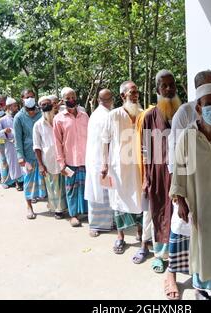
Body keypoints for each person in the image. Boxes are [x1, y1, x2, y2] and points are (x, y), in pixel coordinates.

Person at [170, 83, 211, 300]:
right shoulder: (187, 136)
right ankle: (203, 288)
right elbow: (178, 170)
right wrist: (180, 201)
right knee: (204, 244)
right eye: (209, 104)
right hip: (200, 200)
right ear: (198, 108)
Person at [101, 81, 149, 258]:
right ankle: (120, 237)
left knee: (140, 199)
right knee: (118, 200)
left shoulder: (144, 114)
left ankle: (140, 233)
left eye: (136, 92)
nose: (135, 95)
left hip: (139, 167)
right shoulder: (114, 115)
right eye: (131, 93)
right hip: (118, 167)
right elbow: (105, 141)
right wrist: (104, 164)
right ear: (123, 96)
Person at [141, 70, 182, 274]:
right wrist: (147, 178)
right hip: (158, 174)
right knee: (160, 213)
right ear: (157, 89)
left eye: (171, 84)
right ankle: (160, 256)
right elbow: (145, 150)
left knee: (181, 214)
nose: (168, 89)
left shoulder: (184, 112)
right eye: (164, 86)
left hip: (183, 173)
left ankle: (180, 257)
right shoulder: (149, 116)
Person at [53, 87, 89, 227]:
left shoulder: (84, 115)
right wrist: (61, 163)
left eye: (73, 96)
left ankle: (85, 212)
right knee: (71, 189)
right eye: (68, 98)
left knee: (85, 187)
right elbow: (57, 142)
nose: (71, 100)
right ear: (63, 100)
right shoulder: (58, 119)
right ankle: (73, 215)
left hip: (85, 159)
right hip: (69, 160)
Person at [85, 89, 116, 237]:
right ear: (111, 100)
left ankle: (101, 224)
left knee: (100, 192)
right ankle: (98, 225)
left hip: (96, 160)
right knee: (101, 192)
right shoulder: (107, 115)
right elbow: (108, 141)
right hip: (103, 161)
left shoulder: (95, 114)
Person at [14, 89, 47, 219]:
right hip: (28, 154)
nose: (30, 99)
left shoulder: (42, 113)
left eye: (32, 96)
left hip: (43, 152)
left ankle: (52, 204)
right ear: (22, 99)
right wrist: (20, 157)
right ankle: (29, 207)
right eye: (27, 97)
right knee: (28, 181)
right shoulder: (19, 117)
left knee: (46, 179)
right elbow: (17, 139)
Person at [33, 96, 68, 219]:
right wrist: (41, 165)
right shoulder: (38, 125)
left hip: (65, 158)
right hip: (48, 161)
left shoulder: (60, 120)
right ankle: (57, 210)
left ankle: (69, 208)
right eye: (43, 104)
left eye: (49, 103)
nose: (47, 106)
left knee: (66, 183)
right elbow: (36, 146)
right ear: (40, 107)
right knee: (53, 186)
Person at [0, 98, 24, 191]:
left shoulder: (22, 116)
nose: (16, 107)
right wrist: (4, 131)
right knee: (14, 164)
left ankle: (25, 181)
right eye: (14, 106)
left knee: (23, 163)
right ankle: (18, 182)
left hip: (22, 144)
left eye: (16, 105)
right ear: (8, 107)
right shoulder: (3, 120)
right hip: (11, 145)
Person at [0, 101, 15, 189]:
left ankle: (12, 179)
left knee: (12, 162)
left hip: (11, 142)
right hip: (1, 144)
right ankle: (4, 181)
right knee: (4, 163)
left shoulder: (8, 117)